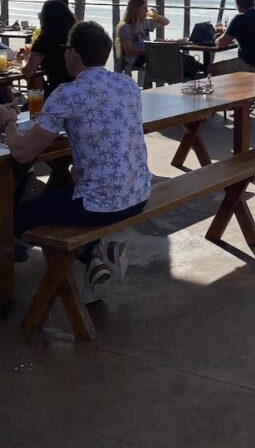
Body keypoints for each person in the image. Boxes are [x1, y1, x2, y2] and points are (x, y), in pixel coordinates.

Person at [5, 21, 151, 301]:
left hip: (100, 204)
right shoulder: (127, 84)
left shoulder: (67, 93)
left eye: (67, 49)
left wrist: (9, 122)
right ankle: (97, 254)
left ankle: (6, 294)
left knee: (11, 219)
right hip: (138, 194)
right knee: (60, 197)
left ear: (74, 53)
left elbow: (23, 153)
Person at [19, 0, 77, 96]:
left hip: (57, 92)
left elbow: (28, 72)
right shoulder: (75, 37)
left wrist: (22, 60)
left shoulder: (44, 41)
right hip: (81, 89)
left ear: (45, 19)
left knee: (26, 108)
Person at [210, 0, 255, 75]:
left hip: (249, 65)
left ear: (238, 5)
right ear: (253, 3)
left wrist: (216, 38)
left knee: (211, 68)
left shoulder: (240, 19)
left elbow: (221, 44)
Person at [115, 0, 170, 73]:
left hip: (147, 55)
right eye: (144, 8)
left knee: (176, 57)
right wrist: (149, 50)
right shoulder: (126, 27)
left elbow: (166, 22)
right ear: (136, 10)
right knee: (168, 58)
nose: (146, 11)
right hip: (135, 58)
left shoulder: (146, 22)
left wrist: (156, 16)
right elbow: (129, 51)